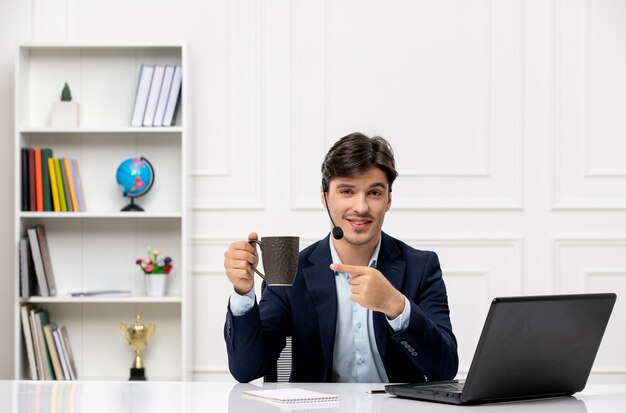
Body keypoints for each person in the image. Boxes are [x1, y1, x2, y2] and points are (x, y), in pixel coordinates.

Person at [223, 132, 458, 383]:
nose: (361, 207)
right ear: (325, 197)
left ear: (389, 199)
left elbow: (444, 369)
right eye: (347, 191)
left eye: (375, 193)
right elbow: (247, 369)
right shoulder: (295, 271)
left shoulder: (421, 267)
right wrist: (242, 293)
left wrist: (397, 307)